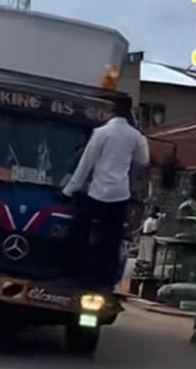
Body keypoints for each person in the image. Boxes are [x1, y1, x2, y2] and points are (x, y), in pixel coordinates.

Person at [62, 97, 149, 286]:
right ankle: (104, 278)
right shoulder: (135, 136)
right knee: (112, 240)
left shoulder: (102, 132)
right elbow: (143, 160)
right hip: (120, 195)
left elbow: (87, 162)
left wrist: (69, 189)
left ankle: (73, 271)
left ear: (112, 110)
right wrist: (129, 174)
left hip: (98, 193)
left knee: (80, 230)